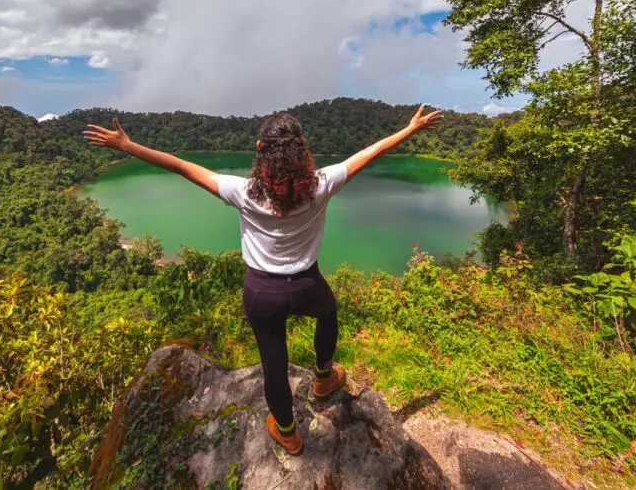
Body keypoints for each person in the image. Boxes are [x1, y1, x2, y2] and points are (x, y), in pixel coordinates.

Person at [83, 104, 442, 455]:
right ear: (303, 150)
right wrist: (410, 129)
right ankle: (323, 377)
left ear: (260, 150)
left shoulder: (244, 192)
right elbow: (371, 152)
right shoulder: (322, 185)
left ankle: (287, 433)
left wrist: (127, 146)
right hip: (306, 285)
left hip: (262, 292)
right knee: (327, 312)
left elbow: (181, 166)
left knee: (274, 362)